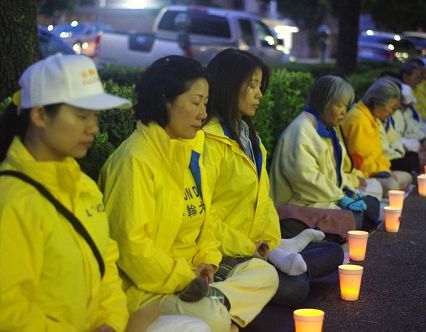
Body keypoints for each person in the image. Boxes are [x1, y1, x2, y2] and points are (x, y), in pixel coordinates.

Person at [98, 55, 278, 332]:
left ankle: (218, 305)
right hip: (148, 289)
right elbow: (132, 249)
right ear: (165, 100)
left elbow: (205, 221)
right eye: (195, 103)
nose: (203, 114)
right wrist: (184, 279)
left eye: (205, 103)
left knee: (266, 274)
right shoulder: (134, 161)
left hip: (193, 277)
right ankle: (220, 312)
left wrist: (208, 260)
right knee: (215, 318)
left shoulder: (187, 150)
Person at [203, 48, 344, 306]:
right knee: (295, 288)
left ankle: (281, 254)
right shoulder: (208, 141)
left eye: (260, 86)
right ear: (228, 86)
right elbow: (204, 217)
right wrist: (248, 247)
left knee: (334, 252)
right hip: (228, 250)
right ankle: (276, 263)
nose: (259, 94)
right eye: (252, 86)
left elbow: (263, 200)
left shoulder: (250, 138)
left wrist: (268, 242)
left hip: (259, 245)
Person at [0, 54, 130, 331]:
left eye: (94, 115)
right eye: (82, 115)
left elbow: (106, 263)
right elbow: (9, 310)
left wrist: (111, 321)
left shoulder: (84, 186)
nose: (93, 127)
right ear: (39, 115)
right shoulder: (12, 201)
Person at [269, 75, 381, 232]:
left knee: (371, 205)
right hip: (299, 204)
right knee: (354, 218)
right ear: (323, 103)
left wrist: (348, 192)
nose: (343, 112)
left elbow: (335, 175)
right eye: (339, 105)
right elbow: (305, 179)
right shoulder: (301, 130)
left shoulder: (327, 127)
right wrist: (341, 198)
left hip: (321, 198)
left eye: (346, 107)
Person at [342, 78, 413, 196]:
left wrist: (387, 171)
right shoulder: (358, 120)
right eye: (391, 107)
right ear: (376, 103)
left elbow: (378, 155)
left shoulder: (372, 118)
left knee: (407, 177)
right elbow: (361, 163)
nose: (391, 112)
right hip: (362, 177)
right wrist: (384, 174)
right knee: (392, 185)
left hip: (378, 172)